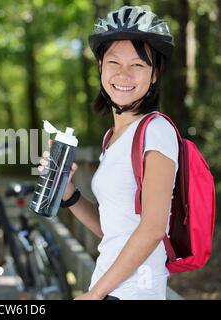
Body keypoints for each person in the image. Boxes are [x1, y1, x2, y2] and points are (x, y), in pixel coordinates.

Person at [38, 5, 178, 300]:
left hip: (135, 293)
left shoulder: (156, 131)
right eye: (114, 62)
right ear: (101, 66)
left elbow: (153, 229)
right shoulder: (112, 139)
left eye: (138, 65)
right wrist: (68, 193)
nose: (124, 74)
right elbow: (115, 230)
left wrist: (95, 294)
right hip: (109, 288)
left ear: (154, 74)